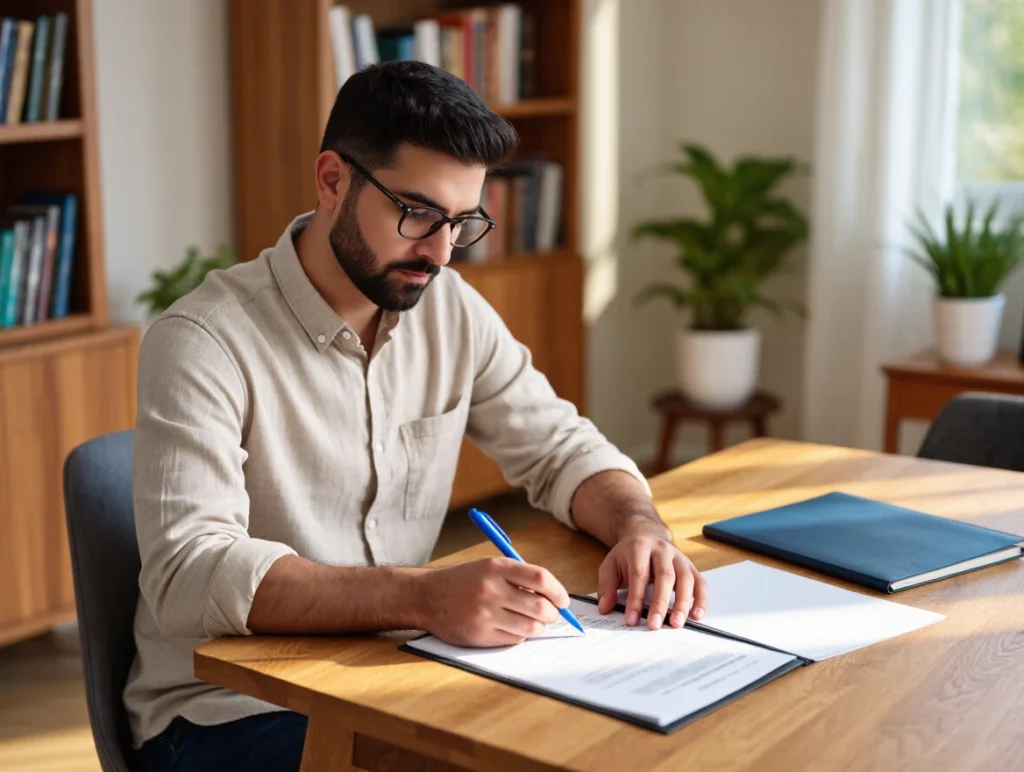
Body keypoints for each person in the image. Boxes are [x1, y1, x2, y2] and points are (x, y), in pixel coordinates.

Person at [128, 60, 708, 772]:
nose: (438, 252)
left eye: (462, 223)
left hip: (396, 678)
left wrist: (638, 527)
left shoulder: (450, 308)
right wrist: (421, 597)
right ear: (333, 180)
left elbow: (560, 448)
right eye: (418, 212)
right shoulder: (203, 341)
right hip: (225, 713)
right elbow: (190, 571)